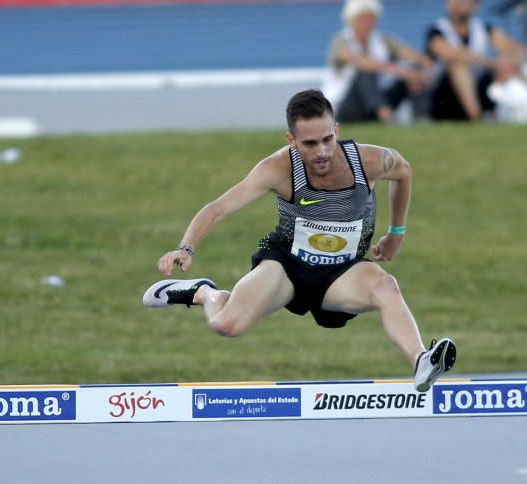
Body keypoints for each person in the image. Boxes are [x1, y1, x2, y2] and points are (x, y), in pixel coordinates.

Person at [143, 89, 456, 393]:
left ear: (337, 130)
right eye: (309, 143)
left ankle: (421, 362)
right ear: (291, 141)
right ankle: (204, 293)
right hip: (286, 267)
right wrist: (185, 247)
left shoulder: (370, 161)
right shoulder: (277, 169)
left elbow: (404, 172)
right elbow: (219, 208)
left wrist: (396, 234)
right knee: (227, 325)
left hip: (342, 273)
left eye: (327, 140)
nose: (321, 152)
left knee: (386, 286)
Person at [323, 0, 434, 123]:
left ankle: (422, 117)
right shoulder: (341, 41)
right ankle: (385, 116)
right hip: (348, 104)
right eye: (362, 19)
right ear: (350, 20)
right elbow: (361, 62)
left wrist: (420, 69)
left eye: (370, 19)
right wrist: (398, 71)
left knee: (413, 72)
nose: (367, 24)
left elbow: (410, 54)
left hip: (378, 97)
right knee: (364, 74)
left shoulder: (383, 39)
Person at [425, 0, 526, 120]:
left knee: (513, 67)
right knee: (458, 67)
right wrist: (493, 63)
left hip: (481, 86)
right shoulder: (438, 30)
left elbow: (516, 51)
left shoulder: (483, 29)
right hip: (446, 94)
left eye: (462, 3)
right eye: (453, 3)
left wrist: (506, 62)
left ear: (474, 6)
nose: (456, 7)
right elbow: (452, 54)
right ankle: (476, 118)